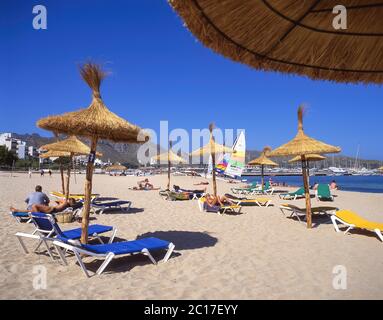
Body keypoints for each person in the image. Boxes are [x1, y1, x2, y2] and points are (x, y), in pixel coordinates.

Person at [11, 198, 76, 215]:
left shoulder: (65, 203)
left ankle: (38, 216)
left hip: (51, 209)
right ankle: (16, 210)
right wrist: (60, 202)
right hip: (52, 209)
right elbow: (58, 201)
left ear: (69, 201)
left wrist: (62, 201)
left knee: (34, 205)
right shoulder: (65, 205)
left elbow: (58, 200)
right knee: (30, 211)